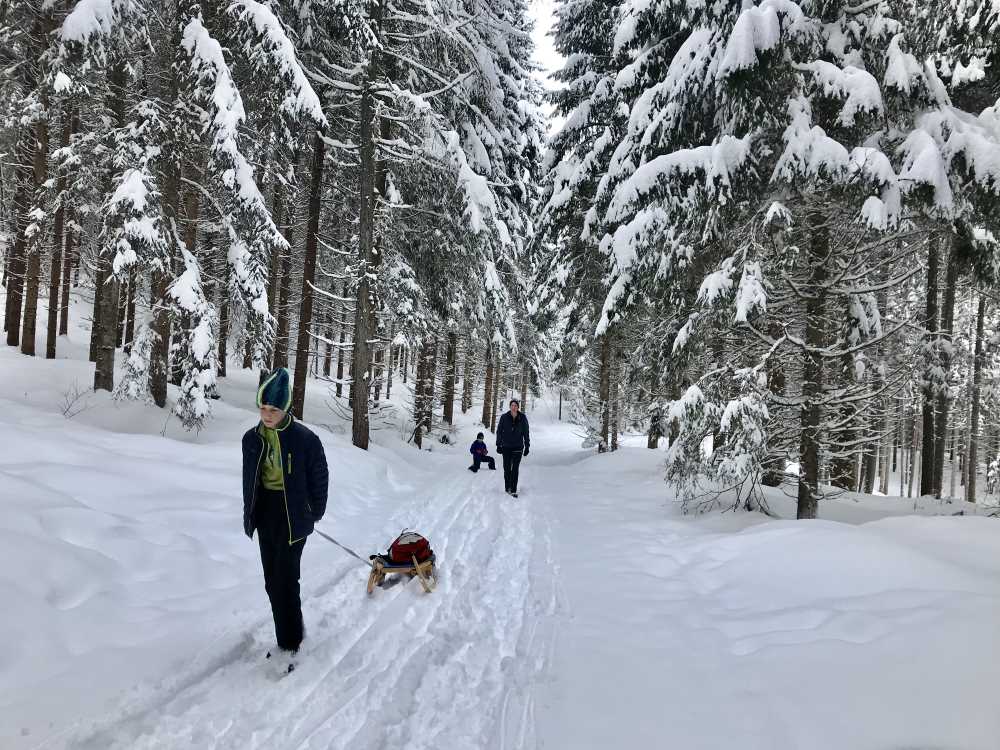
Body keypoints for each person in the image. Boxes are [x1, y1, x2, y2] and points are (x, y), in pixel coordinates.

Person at [242, 367, 329, 665]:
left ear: (286, 407)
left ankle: (290, 643)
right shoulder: (251, 439)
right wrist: (250, 513)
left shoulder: (305, 439)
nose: (266, 414)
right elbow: (249, 480)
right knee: (271, 579)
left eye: (273, 409)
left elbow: (319, 477)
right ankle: (288, 634)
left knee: (286, 579)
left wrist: (313, 512)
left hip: (294, 516)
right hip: (266, 512)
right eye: (263, 408)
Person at [496, 399, 530, 497]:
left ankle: (513, 489)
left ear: (518, 407)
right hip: (506, 447)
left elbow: (526, 432)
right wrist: (498, 444)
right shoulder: (504, 417)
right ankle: (508, 487)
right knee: (507, 468)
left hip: (518, 447)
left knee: (515, 468)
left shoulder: (522, 418)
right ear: (510, 406)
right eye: (512, 405)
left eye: (515, 405)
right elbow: (499, 431)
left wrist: (527, 446)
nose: (514, 407)